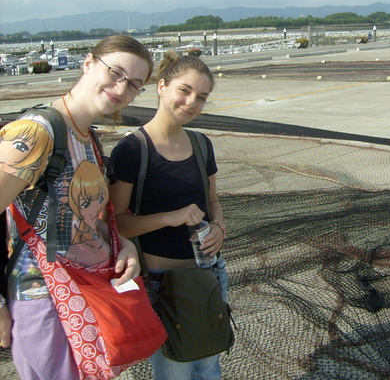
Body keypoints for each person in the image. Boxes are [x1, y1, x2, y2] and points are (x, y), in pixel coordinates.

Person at [0, 34, 154, 379]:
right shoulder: (39, 132)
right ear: (88, 63)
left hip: (86, 291)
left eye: (134, 84)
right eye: (115, 72)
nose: (121, 87)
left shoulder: (88, 137)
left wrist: (122, 243)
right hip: (44, 297)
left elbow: (81, 220)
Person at [109, 51, 228, 380]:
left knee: (208, 366)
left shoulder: (202, 144)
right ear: (161, 87)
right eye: (184, 90)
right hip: (162, 282)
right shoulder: (133, 149)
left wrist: (218, 226)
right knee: (174, 369)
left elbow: (213, 201)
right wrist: (168, 217)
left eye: (201, 97)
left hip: (209, 273)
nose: (192, 102)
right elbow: (117, 221)